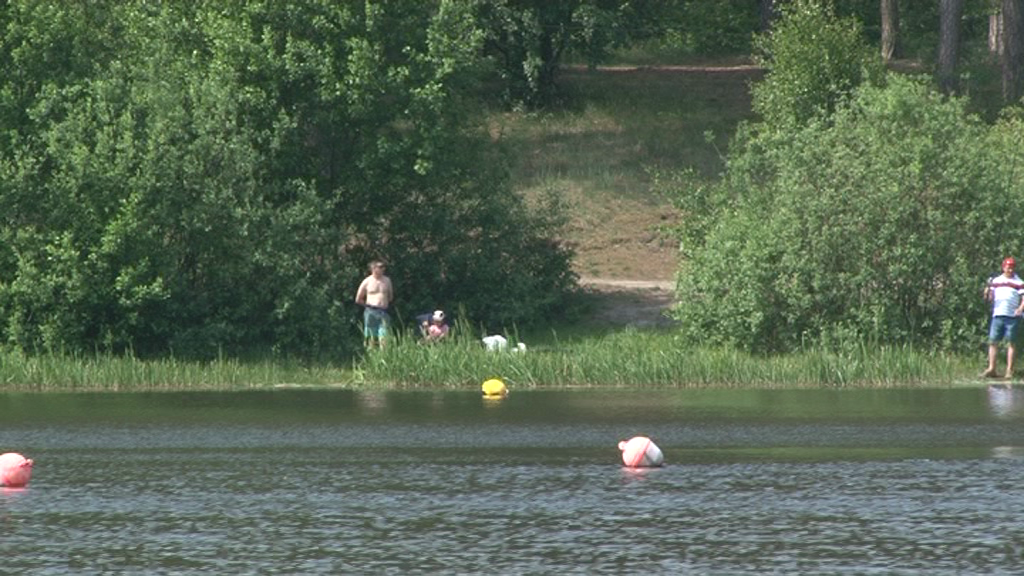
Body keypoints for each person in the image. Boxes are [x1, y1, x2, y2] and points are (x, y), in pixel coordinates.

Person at [982, 257, 1024, 379]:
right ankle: (991, 368)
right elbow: (990, 298)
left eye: (1011, 267)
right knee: (993, 342)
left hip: (1012, 315)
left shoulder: (1019, 282)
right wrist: (987, 291)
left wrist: (1020, 309)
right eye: (1007, 266)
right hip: (998, 314)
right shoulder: (996, 281)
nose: (1009, 269)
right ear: (1003, 267)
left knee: (1011, 343)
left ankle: (1009, 370)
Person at [355, 260, 393, 348]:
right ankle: (371, 356)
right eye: (380, 267)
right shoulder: (367, 281)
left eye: (383, 267)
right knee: (371, 337)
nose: (383, 269)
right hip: (371, 312)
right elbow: (358, 299)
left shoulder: (387, 280)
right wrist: (369, 306)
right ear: (373, 268)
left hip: (383, 311)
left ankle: (384, 356)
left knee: (384, 336)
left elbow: (390, 297)